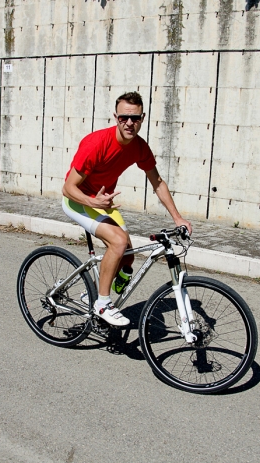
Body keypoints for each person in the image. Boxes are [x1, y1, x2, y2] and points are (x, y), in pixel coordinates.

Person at [62, 91, 192, 326]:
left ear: (142, 118)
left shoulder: (139, 148)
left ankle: (92, 295)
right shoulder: (96, 144)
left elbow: (158, 182)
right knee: (119, 242)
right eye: (124, 118)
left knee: (128, 256)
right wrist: (93, 202)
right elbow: (68, 188)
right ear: (116, 117)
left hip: (104, 203)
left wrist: (177, 217)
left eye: (135, 118)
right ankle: (102, 303)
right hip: (79, 201)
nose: (129, 123)